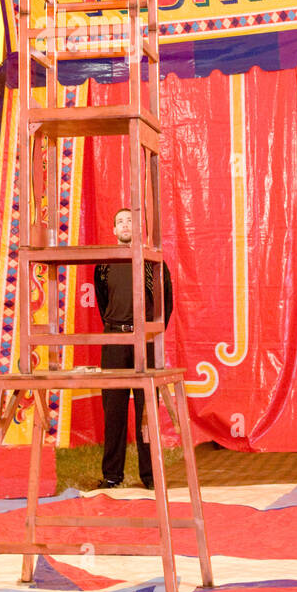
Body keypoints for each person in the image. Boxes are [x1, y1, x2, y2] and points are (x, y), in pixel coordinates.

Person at [93, 207, 172, 490]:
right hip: (114, 342)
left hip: (145, 343)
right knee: (113, 411)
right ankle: (112, 476)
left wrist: (149, 333)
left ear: (139, 228)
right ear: (114, 230)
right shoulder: (104, 263)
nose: (125, 225)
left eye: (130, 220)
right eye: (120, 222)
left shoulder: (152, 262)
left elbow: (166, 304)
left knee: (146, 411)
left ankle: (150, 477)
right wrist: (118, 329)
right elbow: (103, 303)